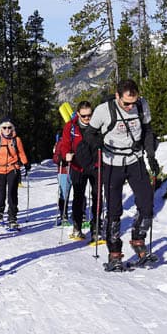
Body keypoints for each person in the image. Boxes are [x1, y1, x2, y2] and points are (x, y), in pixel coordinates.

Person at [82, 80, 161, 271]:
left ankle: (138, 241)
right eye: (126, 103)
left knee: (147, 204)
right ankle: (114, 253)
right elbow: (89, 134)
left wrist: (151, 155)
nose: (130, 107)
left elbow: (148, 131)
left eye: (133, 102)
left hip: (135, 159)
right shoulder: (103, 110)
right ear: (117, 96)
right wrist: (98, 143)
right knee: (114, 210)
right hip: (112, 163)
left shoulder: (142, 105)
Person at [55, 100, 100, 242]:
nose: (88, 119)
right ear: (78, 114)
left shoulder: (98, 125)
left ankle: (96, 228)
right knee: (78, 197)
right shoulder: (71, 127)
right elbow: (65, 144)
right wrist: (65, 153)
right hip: (77, 166)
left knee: (97, 196)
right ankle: (77, 227)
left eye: (90, 115)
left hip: (95, 165)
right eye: (84, 116)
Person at [0, 117, 29, 230]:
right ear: (0, 129)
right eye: (4, 128)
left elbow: (21, 153)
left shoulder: (16, 140)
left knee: (12, 193)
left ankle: (12, 217)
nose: (7, 130)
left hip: (13, 169)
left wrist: (26, 163)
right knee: (0, 193)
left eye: (9, 127)